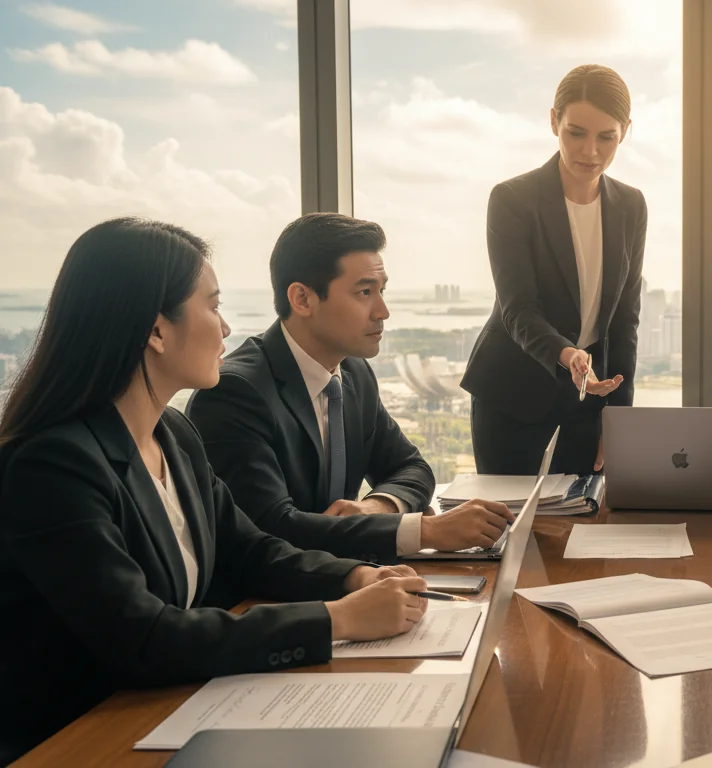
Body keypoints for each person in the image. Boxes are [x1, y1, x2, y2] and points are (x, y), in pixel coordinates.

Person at [0, 219, 433, 763]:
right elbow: (144, 637)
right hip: (79, 737)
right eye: (213, 306)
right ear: (157, 331)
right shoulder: (53, 464)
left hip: (167, 709)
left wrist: (355, 575)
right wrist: (339, 618)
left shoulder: (172, 433)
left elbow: (248, 548)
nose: (227, 328)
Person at [188, 214, 512, 563]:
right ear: (302, 299)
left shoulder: (354, 373)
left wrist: (376, 505)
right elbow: (271, 528)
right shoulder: (235, 393)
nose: (383, 311)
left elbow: (412, 468)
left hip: (348, 578)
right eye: (364, 292)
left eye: (381, 291)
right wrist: (425, 531)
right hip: (263, 601)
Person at [461, 64, 646, 476]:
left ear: (625, 131)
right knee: (510, 530)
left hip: (589, 396)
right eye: (576, 133)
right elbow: (518, 310)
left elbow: (625, 321)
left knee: (586, 524)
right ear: (553, 121)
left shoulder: (631, 205)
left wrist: (619, 420)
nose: (590, 151)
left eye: (606, 137)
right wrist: (568, 354)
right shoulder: (513, 199)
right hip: (513, 393)